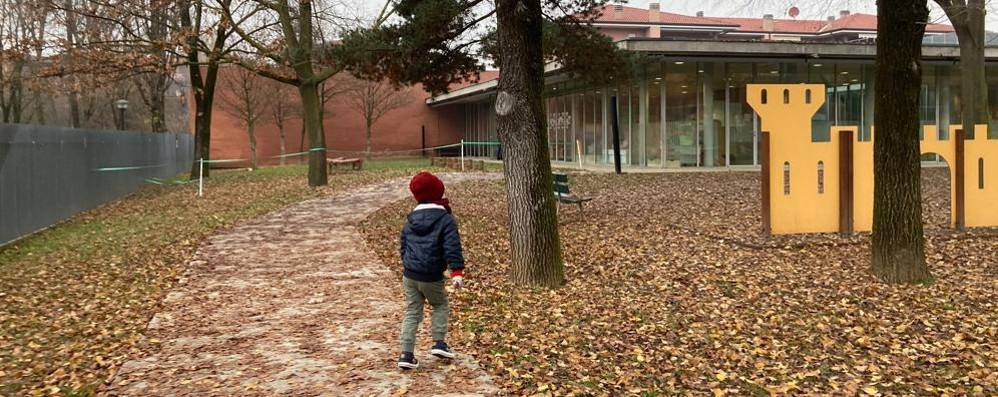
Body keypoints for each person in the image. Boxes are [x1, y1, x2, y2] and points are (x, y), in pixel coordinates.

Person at [397, 171, 465, 370]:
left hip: (410, 275)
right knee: (440, 304)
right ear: (437, 192)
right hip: (432, 276)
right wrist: (457, 272)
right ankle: (439, 342)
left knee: (412, 312)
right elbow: (452, 247)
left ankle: (406, 354)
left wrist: (409, 263)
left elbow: (403, 246)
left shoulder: (410, 221)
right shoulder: (446, 220)